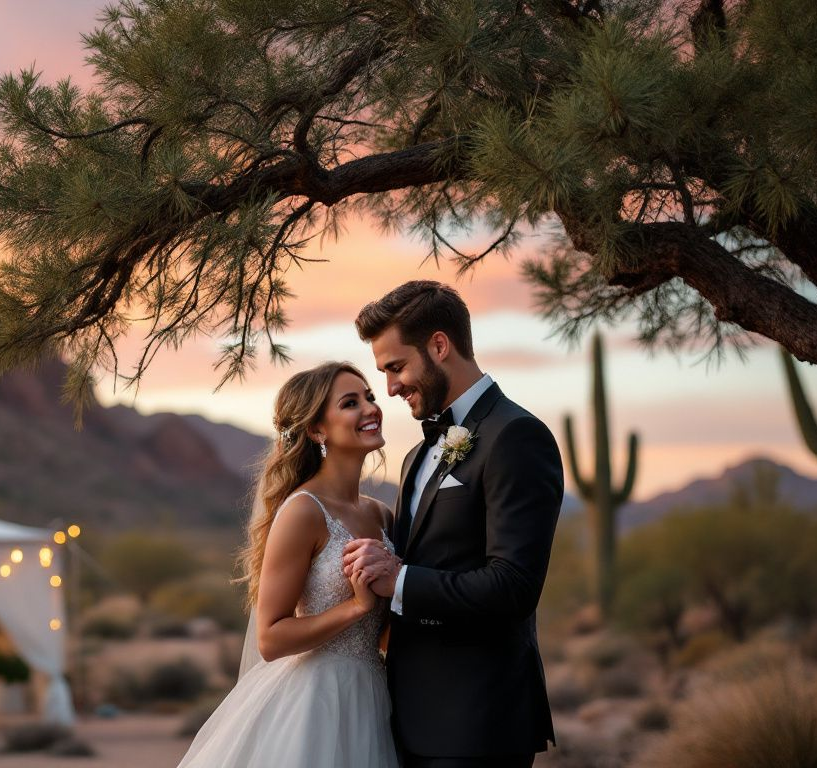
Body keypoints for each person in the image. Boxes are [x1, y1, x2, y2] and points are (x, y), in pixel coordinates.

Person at [343, 281, 564, 768]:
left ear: (439, 346)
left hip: (477, 723)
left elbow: (513, 585)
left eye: (396, 367)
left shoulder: (516, 436)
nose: (391, 388)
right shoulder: (416, 456)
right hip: (404, 719)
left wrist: (398, 580)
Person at [178, 362, 399, 767]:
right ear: (317, 431)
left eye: (370, 397)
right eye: (351, 403)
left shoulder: (383, 516)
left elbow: (383, 633)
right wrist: (356, 606)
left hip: (372, 696)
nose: (370, 408)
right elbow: (271, 638)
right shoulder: (304, 511)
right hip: (313, 702)